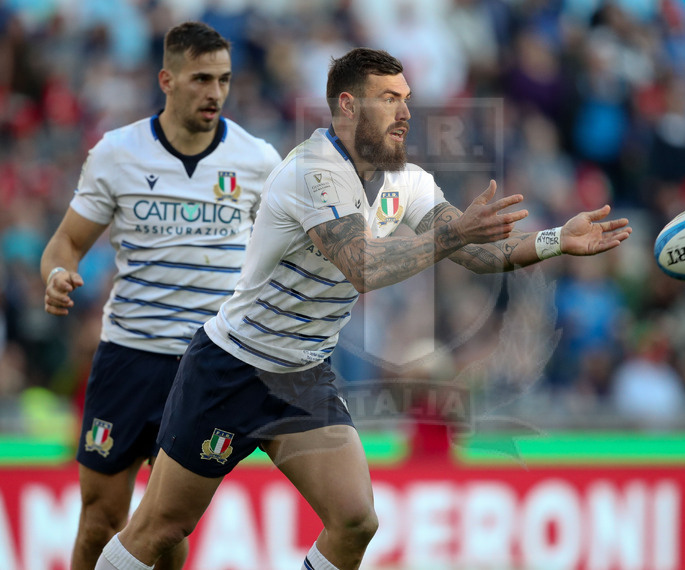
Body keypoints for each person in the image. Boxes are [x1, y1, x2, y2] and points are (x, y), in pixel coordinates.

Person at [93, 47, 632, 570]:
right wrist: (454, 234)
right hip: (232, 368)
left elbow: (477, 253)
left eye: (407, 99)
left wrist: (556, 240)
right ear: (348, 106)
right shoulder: (312, 171)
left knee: (355, 522)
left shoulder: (408, 182)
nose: (405, 112)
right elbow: (364, 266)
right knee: (161, 528)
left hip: (302, 377)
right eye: (390, 99)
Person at [40, 21, 282, 570]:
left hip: (206, 365)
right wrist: (57, 273)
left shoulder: (258, 159)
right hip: (129, 356)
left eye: (223, 79)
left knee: (167, 528)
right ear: (166, 80)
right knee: (99, 520)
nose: (215, 92)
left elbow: (284, 251)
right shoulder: (117, 153)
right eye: (201, 79)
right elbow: (66, 242)